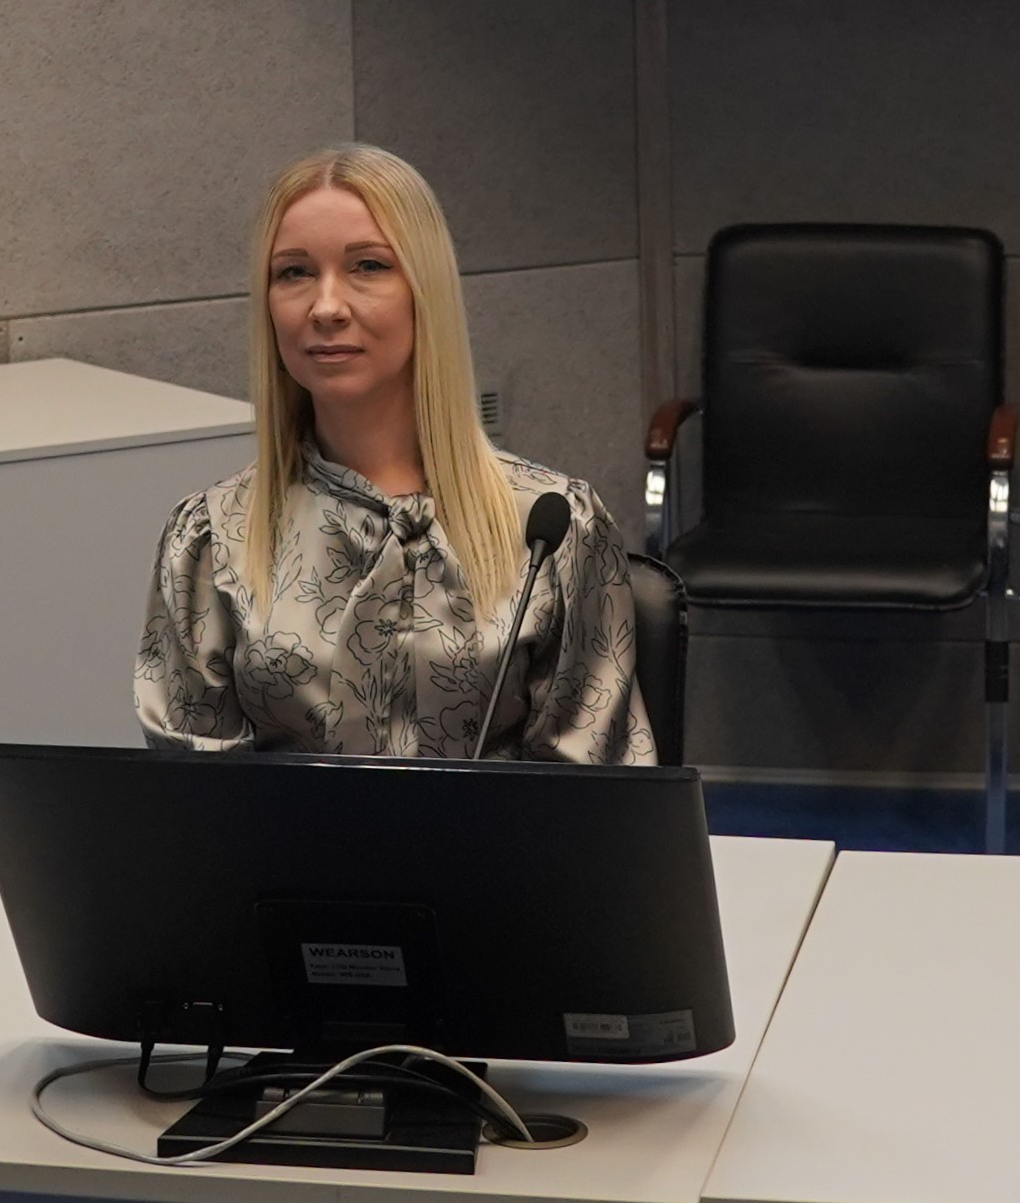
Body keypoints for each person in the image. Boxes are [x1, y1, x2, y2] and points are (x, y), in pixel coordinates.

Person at [137, 145, 653, 762]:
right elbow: (190, 794)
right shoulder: (212, 535)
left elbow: (597, 792)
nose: (326, 307)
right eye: (294, 273)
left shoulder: (552, 527)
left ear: (424, 290)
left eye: (369, 266)